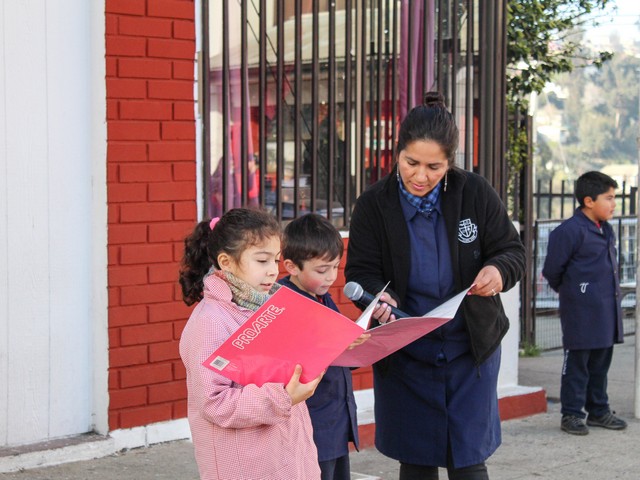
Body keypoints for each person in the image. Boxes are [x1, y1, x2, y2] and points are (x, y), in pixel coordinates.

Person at [345, 91, 525, 480]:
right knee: (416, 459)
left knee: (469, 458)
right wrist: (380, 296)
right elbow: (360, 271)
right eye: (411, 163)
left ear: (450, 163)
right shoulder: (373, 205)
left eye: (434, 167)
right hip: (406, 348)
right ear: (397, 153)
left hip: (469, 347)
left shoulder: (474, 192)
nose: (421, 176)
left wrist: (498, 271)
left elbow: (511, 251)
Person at [178, 208, 324, 480]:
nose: (273, 271)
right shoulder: (210, 322)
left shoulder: (272, 306)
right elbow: (214, 402)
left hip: (289, 455)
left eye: (276, 260)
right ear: (226, 262)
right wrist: (284, 397)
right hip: (246, 465)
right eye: (262, 260)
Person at [279, 213, 364, 480]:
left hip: (336, 416)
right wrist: (336, 344)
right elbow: (291, 363)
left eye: (335, 267)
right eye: (321, 270)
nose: (330, 277)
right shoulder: (283, 304)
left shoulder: (322, 296)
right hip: (312, 423)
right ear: (292, 266)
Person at [542, 171, 627, 436]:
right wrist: (574, 293)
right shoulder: (569, 232)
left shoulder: (606, 229)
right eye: (608, 198)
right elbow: (552, 271)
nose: (613, 204)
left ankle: (599, 411)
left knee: (600, 366)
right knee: (577, 365)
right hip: (580, 313)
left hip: (606, 311)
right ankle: (571, 414)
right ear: (589, 201)